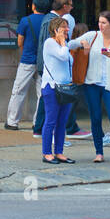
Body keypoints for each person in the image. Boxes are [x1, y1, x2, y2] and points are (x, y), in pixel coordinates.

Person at [69, 11, 110, 164]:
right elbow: (70, 44)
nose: (100, 25)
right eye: (99, 22)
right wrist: (82, 43)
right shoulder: (92, 35)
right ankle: (99, 153)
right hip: (92, 84)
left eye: (104, 23)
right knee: (95, 118)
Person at [32, 0, 87, 139]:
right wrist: (64, 43)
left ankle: (41, 128)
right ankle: (67, 128)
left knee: (50, 100)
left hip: (50, 70)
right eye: (70, 4)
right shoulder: (52, 23)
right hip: (52, 71)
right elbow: (59, 51)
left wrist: (76, 43)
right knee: (60, 99)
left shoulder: (49, 20)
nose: (68, 30)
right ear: (64, 6)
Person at [5, 0, 50, 130]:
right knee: (41, 93)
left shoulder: (26, 20)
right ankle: (38, 122)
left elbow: (19, 41)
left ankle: (12, 122)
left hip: (27, 60)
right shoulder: (50, 21)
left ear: (33, 6)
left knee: (18, 91)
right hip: (44, 62)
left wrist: (25, 51)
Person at [39, 16, 75, 164]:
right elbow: (63, 56)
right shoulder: (49, 43)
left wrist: (64, 43)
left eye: (67, 27)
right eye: (64, 27)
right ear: (55, 30)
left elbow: (68, 60)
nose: (67, 30)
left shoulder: (63, 43)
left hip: (65, 88)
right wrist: (62, 42)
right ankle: (47, 153)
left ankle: (59, 152)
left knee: (62, 121)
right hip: (51, 87)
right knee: (51, 121)